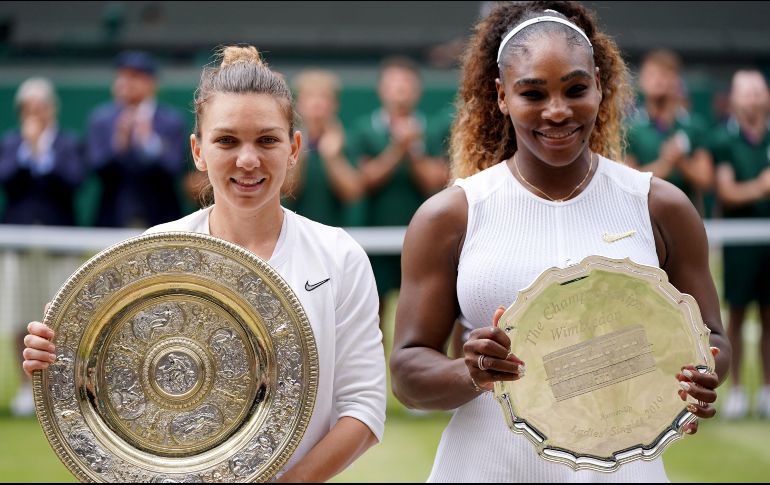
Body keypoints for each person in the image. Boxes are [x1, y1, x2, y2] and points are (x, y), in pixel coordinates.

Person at [389, 2, 730, 482]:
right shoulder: (451, 215)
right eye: (533, 93)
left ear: (599, 84)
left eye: (575, 89)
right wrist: (473, 372)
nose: (557, 111)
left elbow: (712, 338)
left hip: (624, 468)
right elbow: (407, 372)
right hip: (487, 468)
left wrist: (701, 374)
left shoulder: (660, 206)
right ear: (502, 96)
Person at [22, 45, 386, 482]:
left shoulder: (339, 257)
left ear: (294, 148)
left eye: (267, 140)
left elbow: (363, 409)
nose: (247, 160)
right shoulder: (153, 253)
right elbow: (111, 395)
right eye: (227, 140)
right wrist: (60, 357)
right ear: (198, 150)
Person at [0, 77, 86, 417]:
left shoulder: (67, 143)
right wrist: (28, 150)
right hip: (20, 243)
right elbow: (6, 179)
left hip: (59, 243)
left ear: (51, 109)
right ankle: (25, 388)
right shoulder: (10, 143)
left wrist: (42, 153)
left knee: (62, 314)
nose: (34, 114)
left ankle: (61, 388)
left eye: (40, 107)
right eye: (28, 109)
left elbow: (75, 180)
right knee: (19, 312)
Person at [349, 56, 449, 307]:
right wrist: (397, 148)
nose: (401, 90)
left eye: (407, 83)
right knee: (373, 309)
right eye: (394, 84)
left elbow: (434, 181)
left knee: (422, 307)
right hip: (374, 235)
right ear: (382, 89)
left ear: (417, 90)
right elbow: (364, 182)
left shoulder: (435, 128)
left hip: (425, 237)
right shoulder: (363, 129)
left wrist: (413, 150)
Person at [712, 70, 770, 420]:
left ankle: (765, 391)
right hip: (739, 244)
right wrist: (761, 187)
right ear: (734, 99)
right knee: (735, 314)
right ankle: (733, 392)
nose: (751, 99)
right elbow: (726, 192)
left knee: (769, 317)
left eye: (757, 92)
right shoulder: (722, 140)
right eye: (745, 93)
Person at [86, 50, 187, 228]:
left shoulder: (171, 121)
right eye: (122, 76)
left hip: (161, 219)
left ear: (151, 83)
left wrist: (148, 142)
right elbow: (96, 168)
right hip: (112, 218)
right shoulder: (101, 119)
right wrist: (119, 146)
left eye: (134, 76)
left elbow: (175, 167)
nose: (126, 83)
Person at [624, 49, 714, 217]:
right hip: (644, 221)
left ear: (676, 81)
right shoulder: (629, 128)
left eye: (664, 74)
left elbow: (706, 180)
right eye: (652, 75)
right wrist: (665, 164)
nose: (659, 80)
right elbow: (626, 183)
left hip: (686, 220)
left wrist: (682, 164)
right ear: (642, 82)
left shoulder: (695, 126)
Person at [282, 69, 364, 227]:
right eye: (310, 96)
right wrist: (300, 153)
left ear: (335, 104)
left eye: (324, 97)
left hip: (335, 233)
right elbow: (286, 190)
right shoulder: (286, 142)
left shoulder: (348, 141)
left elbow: (353, 193)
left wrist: (333, 157)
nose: (317, 103)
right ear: (298, 104)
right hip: (293, 231)